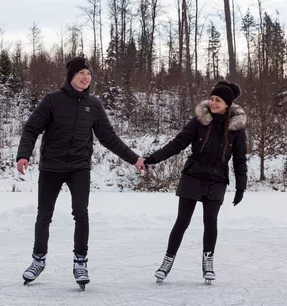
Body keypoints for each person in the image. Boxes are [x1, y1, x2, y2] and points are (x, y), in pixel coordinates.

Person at [16, 56, 145, 287]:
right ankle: (38, 259)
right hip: (51, 167)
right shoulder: (52, 101)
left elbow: (109, 138)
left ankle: (80, 261)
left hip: (79, 168)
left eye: (89, 74)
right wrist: (23, 154)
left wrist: (134, 158)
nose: (86, 78)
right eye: (82, 73)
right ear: (71, 76)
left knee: (81, 214)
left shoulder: (93, 105)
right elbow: (32, 128)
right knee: (44, 215)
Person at [143, 80, 247, 283]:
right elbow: (177, 144)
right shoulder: (199, 121)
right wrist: (152, 159)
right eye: (211, 98)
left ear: (227, 104)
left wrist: (241, 186)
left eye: (217, 100)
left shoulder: (236, 130)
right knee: (182, 221)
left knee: (210, 221)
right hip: (193, 175)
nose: (212, 102)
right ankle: (167, 260)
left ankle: (208, 262)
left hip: (217, 180)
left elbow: (240, 159)